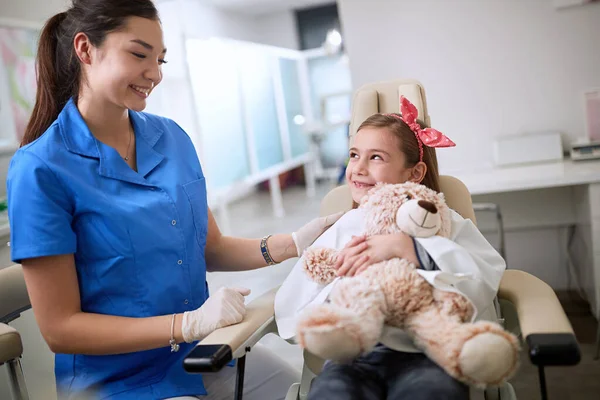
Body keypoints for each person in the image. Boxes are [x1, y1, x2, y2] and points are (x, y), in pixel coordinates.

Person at [7, 1, 343, 399]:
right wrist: (185, 325)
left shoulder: (170, 138)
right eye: (138, 54)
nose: (155, 74)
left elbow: (210, 248)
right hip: (117, 383)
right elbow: (60, 328)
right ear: (85, 50)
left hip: (199, 356)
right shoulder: (41, 169)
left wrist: (294, 243)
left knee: (312, 391)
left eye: (161, 60)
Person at [274, 96, 507, 399]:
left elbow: (485, 274)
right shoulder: (346, 225)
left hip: (429, 353)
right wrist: (346, 289)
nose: (357, 168)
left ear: (415, 173)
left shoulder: (443, 220)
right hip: (352, 359)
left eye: (376, 158)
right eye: (354, 155)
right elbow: (295, 298)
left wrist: (410, 248)